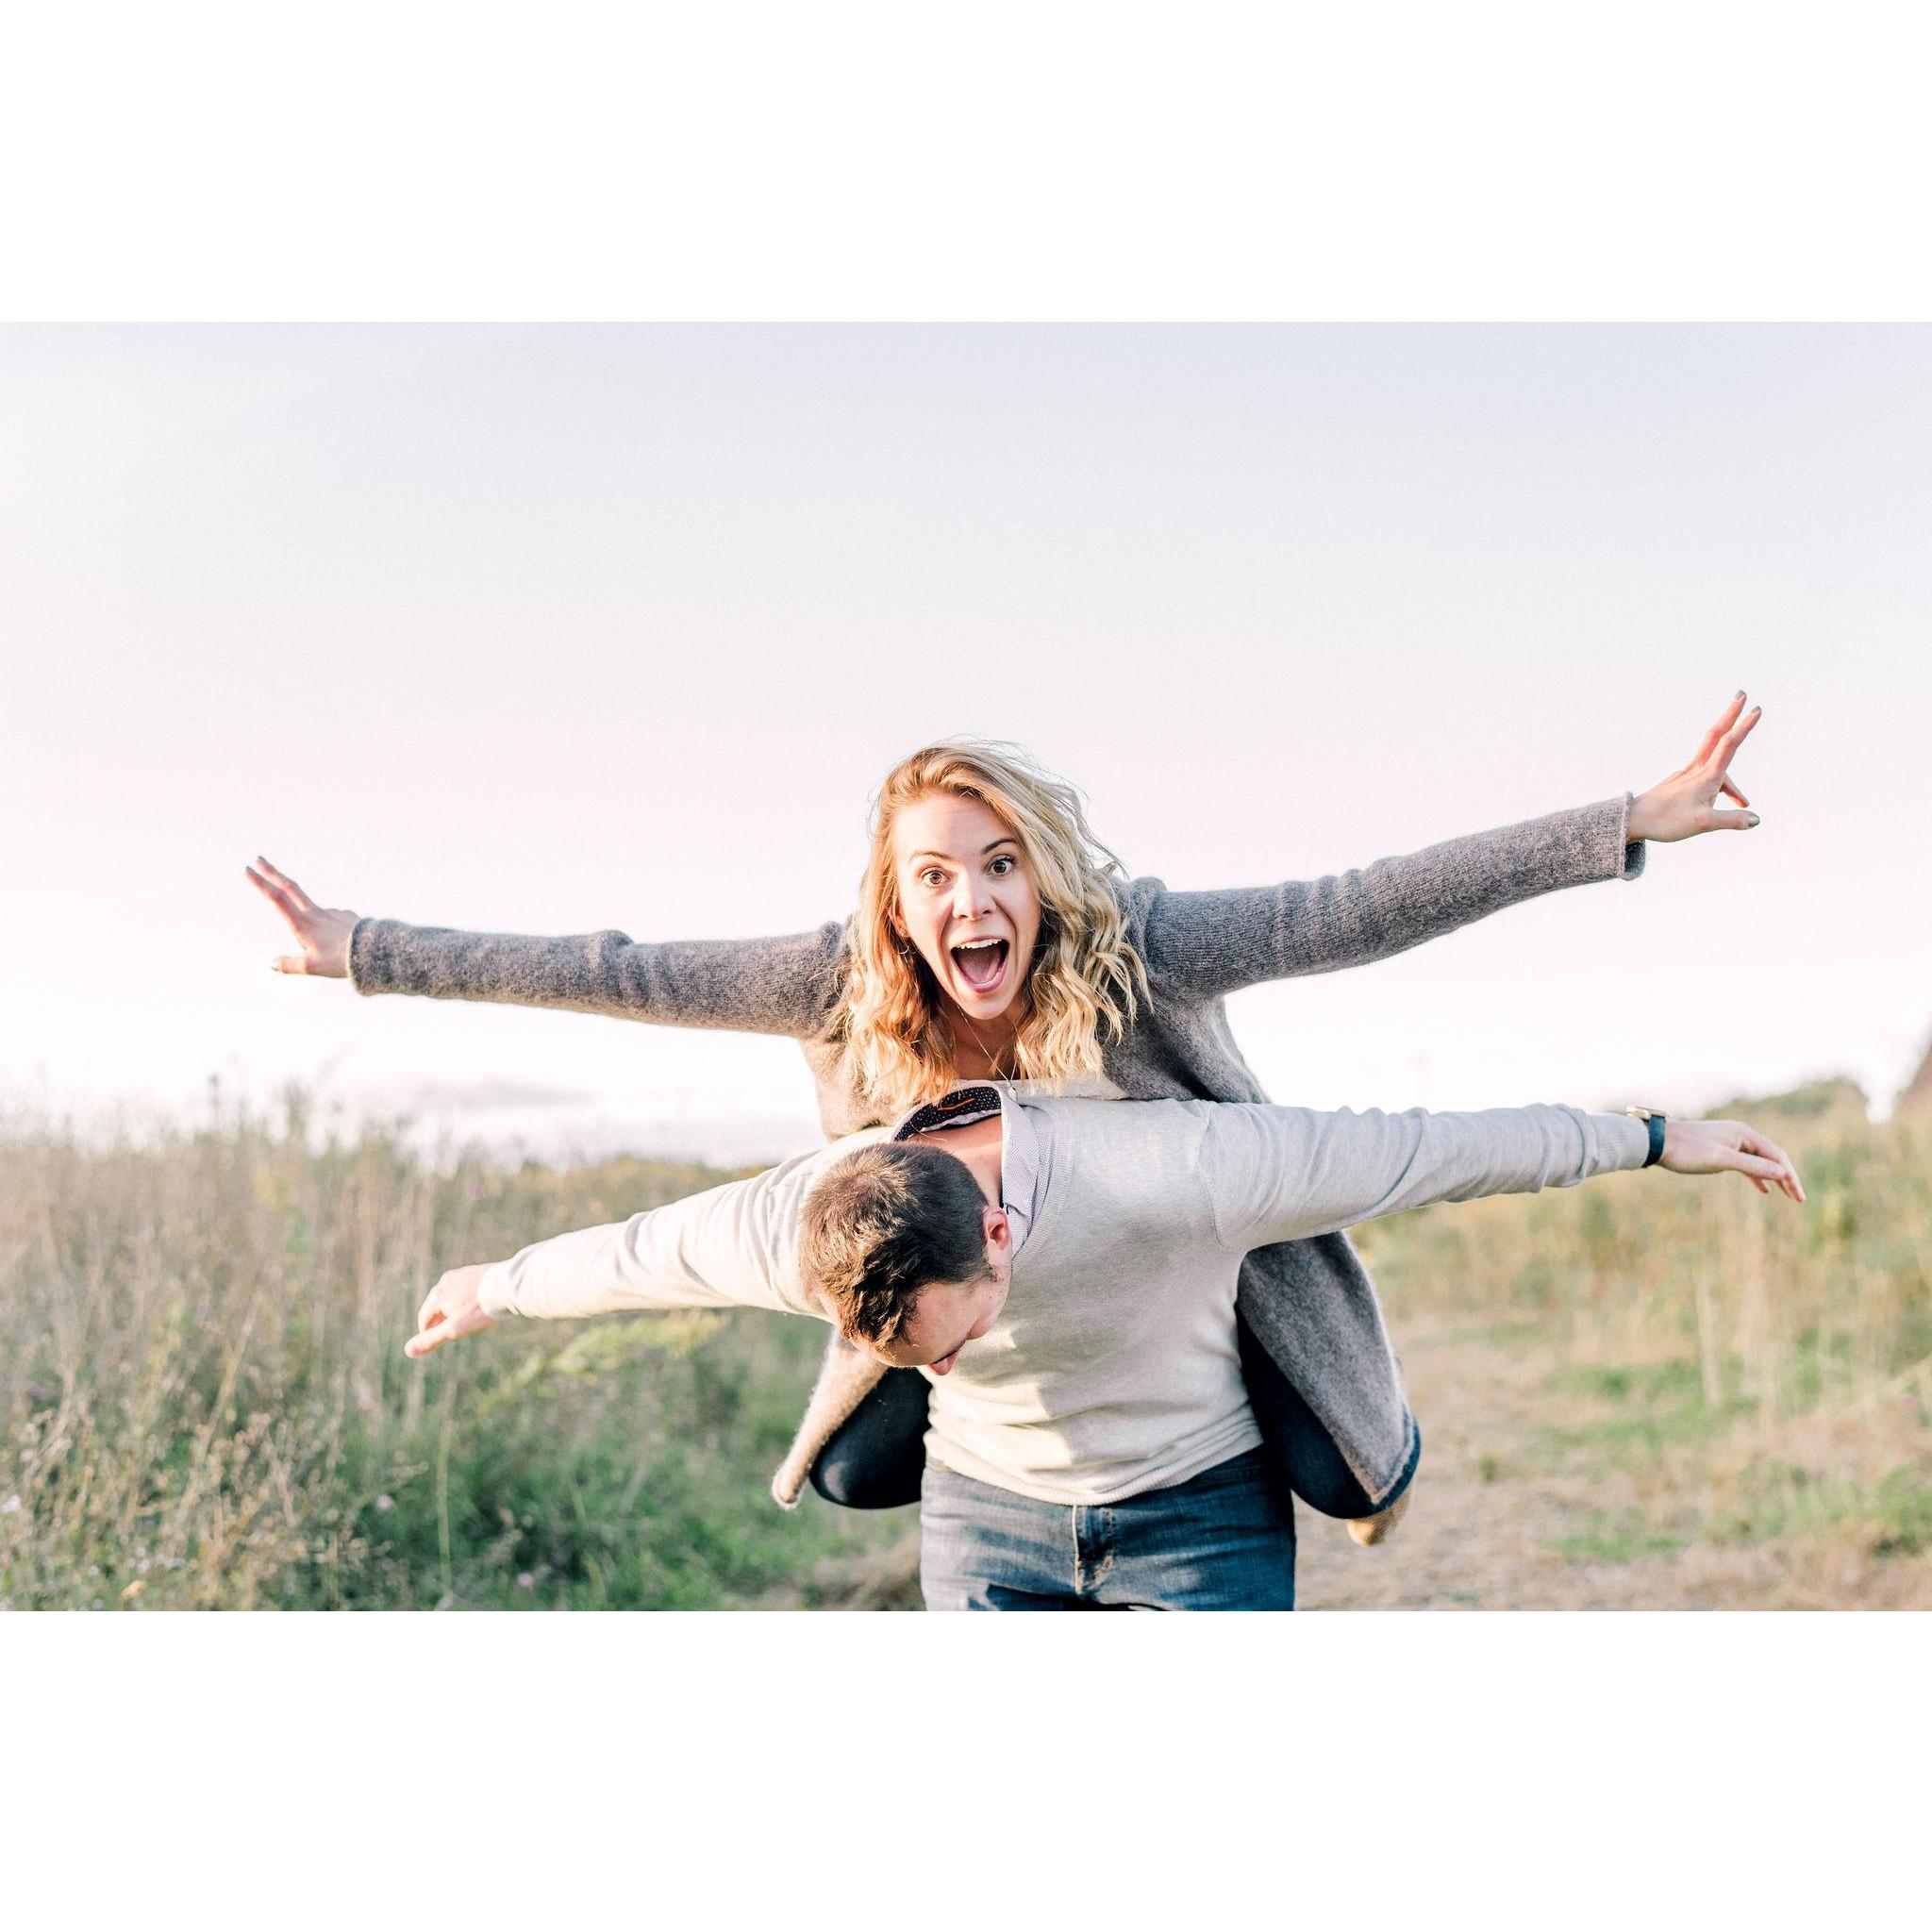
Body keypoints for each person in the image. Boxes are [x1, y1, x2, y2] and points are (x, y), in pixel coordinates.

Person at [247, 693, 1764, 1543]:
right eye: (934, 875)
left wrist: (1619, 825)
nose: (971, 899)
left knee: (1339, 1463)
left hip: (1199, 1249)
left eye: (998, 864)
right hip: (953, 1276)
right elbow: (612, 970)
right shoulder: (835, 982)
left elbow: (1360, 905)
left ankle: (1339, 1452)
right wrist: (363, 950)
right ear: (895, 899)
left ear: (1040, 871)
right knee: (856, 1469)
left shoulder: (1143, 943)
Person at [403, 1082, 1803, 1610]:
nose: (937, 1375)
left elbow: (1424, 1150)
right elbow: (643, 1253)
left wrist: (1653, 1138)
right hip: (990, 1520)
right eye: (914, 1364)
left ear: (996, 1234)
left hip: (1200, 1506)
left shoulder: (1172, 1170)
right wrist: (493, 1285)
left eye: (951, 1342)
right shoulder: (800, 1218)